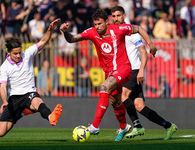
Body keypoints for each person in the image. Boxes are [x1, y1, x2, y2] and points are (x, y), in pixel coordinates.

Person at [60, 8, 157, 141]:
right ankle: (124, 127)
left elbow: (139, 28)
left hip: (124, 69)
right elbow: (71, 39)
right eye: (95, 24)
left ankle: (95, 126)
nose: (97, 27)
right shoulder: (91, 32)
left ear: (107, 22)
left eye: (99, 24)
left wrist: (150, 44)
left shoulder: (119, 29)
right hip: (109, 72)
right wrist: (65, 32)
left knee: (104, 87)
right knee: (115, 102)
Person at [111, 5, 177, 140]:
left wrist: (141, 70)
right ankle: (168, 126)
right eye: (114, 16)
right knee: (139, 106)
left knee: (122, 96)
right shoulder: (114, 33)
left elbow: (143, 52)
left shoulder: (131, 32)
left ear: (124, 16)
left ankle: (137, 126)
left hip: (133, 70)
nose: (116, 19)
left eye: (119, 15)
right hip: (125, 71)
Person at [0, 18, 62, 137]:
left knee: (37, 102)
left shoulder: (27, 54)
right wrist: (4, 101)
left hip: (29, 93)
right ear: (8, 52)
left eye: (19, 52)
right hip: (14, 99)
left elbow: (43, 41)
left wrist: (49, 30)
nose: (19, 55)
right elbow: (3, 87)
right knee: (1, 132)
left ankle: (50, 116)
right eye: (15, 53)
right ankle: (22, 112)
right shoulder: (4, 67)